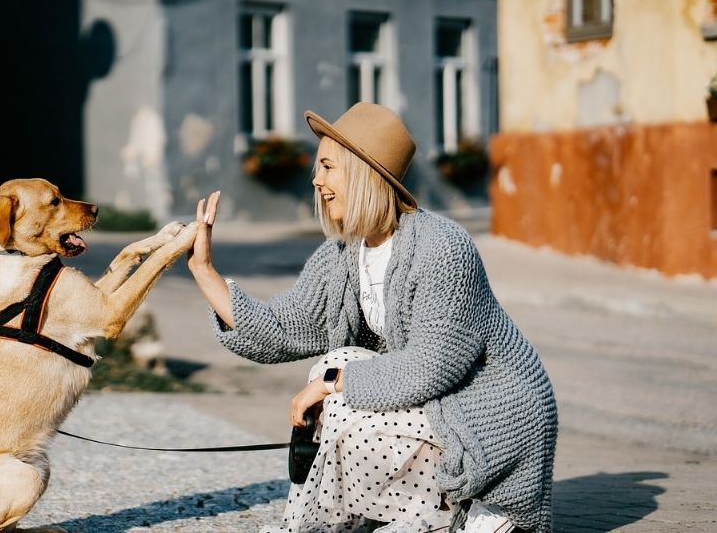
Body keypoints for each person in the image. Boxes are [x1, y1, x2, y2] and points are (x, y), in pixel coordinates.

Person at [187, 102, 557, 533]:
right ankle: (317, 526)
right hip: (436, 405)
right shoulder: (344, 254)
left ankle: (469, 509)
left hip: (490, 413)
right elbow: (285, 328)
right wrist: (204, 272)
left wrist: (333, 387)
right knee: (333, 368)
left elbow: (431, 366)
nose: (316, 179)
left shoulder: (443, 247)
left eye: (327, 166)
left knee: (336, 390)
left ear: (364, 172)